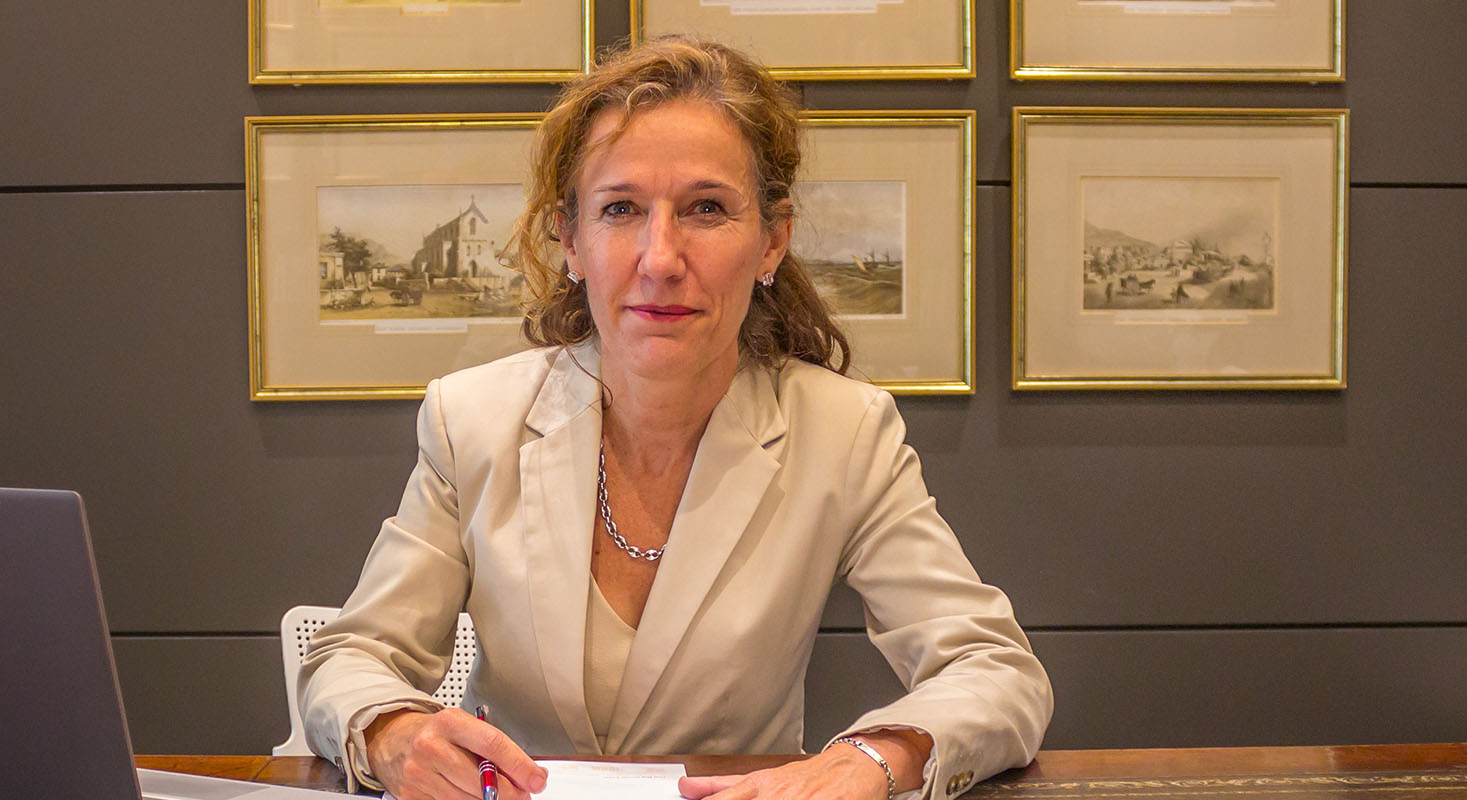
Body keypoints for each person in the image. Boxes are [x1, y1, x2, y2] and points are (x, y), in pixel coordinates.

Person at [298, 37, 1051, 800]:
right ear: (571, 241)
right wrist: (392, 733)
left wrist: (874, 758)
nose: (660, 258)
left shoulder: (845, 432)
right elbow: (350, 659)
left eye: (706, 209)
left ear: (772, 242)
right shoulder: (472, 421)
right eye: (620, 209)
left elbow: (996, 671)